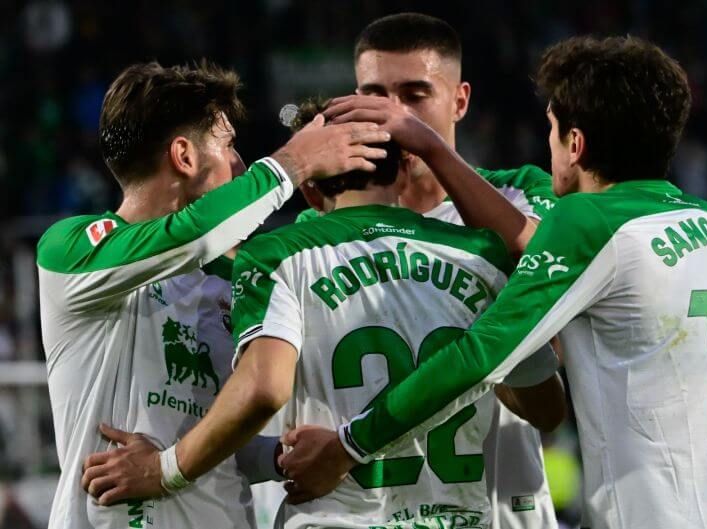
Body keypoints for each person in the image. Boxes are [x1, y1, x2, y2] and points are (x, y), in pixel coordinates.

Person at [281, 35, 707, 529]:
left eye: (552, 130)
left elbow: (479, 355)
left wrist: (347, 447)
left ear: (575, 144)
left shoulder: (587, 221)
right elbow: (530, 240)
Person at [80, 98, 563, 529]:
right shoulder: (483, 256)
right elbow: (546, 409)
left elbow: (265, 389)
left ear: (309, 191)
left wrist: (166, 469)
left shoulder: (276, 255)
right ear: (402, 171)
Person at [38, 61, 389, 529]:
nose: (240, 164)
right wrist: (295, 162)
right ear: (184, 156)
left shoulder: (236, 277)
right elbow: (195, 234)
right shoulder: (72, 252)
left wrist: (279, 457)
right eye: (228, 145)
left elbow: (209, 439)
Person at [292, 14, 566, 528]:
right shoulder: (312, 234)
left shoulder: (521, 194)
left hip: (501, 511)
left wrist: (431, 149)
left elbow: (546, 283)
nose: (392, 115)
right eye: (374, 95)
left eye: (415, 96)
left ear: (459, 101)